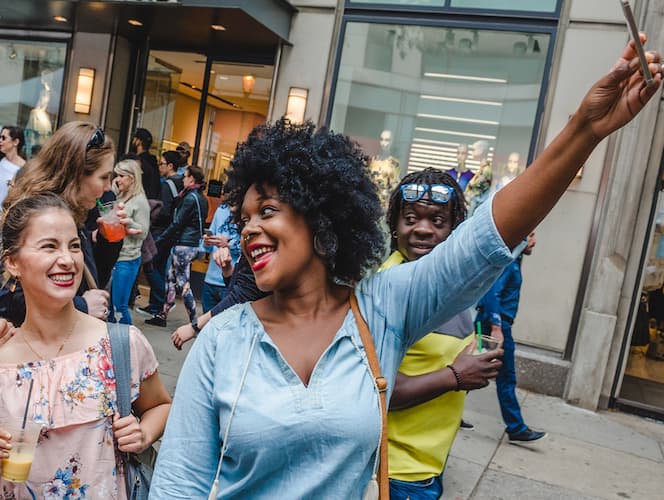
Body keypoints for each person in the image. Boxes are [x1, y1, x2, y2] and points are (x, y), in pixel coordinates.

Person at [149, 41, 663, 498]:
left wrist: (585, 130)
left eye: (267, 211)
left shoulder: (382, 306)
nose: (249, 230)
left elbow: (484, 239)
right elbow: (179, 483)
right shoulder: (224, 340)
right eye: (243, 219)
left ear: (320, 214)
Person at [0, 193, 171, 498]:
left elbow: (161, 406)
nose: (67, 259)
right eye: (49, 246)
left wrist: (144, 432)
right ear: (13, 262)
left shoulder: (119, 344)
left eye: (74, 246)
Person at [383, 169, 504, 500]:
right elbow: (374, 392)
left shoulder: (446, 286)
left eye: (438, 220)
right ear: (394, 225)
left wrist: (479, 354)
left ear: (453, 230)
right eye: (411, 218)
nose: (423, 229)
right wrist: (456, 376)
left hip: (426, 468)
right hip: (393, 473)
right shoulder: (390, 288)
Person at [0, 122, 127, 327]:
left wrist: (109, 242)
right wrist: (81, 306)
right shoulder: (30, 214)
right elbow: (3, 300)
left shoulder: (79, 214)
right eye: (104, 177)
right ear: (76, 174)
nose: (108, 187)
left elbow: (89, 282)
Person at [478, 231, 547, 443]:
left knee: (476, 369)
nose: (534, 241)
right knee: (506, 377)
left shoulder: (514, 259)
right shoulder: (508, 260)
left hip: (491, 323)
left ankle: (452, 410)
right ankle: (516, 427)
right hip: (497, 326)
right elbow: (492, 294)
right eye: (531, 235)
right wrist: (497, 328)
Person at [145, 165, 207, 328]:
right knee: (171, 279)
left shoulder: (189, 198)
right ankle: (162, 315)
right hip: (191, 244)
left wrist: (160, 240)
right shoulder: (202, 198)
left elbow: (177, 222)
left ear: (192, 179)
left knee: (182, 282)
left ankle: (195, 321)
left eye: (185, 176)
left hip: (183, 245)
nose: (183, 179)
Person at [137, 151, 184, 318]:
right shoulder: (181, 183)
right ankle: (158, 303)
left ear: (170, 166)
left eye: (162, 163)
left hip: (161, 231)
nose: (160, 166)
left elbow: (163, 211)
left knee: (151, 267)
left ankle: (160, 301)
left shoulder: (167, 184)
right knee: (160, 266)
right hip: (171, 232)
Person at [109, 159, 151, 325]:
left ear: (132, 178)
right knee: (111, 306)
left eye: (121, 176)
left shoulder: (140, 201)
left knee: (119, 306)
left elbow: (143, 232)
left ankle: (128, 342)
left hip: (128, 259)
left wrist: (128, 222)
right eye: (116, 175)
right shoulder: (120, 195)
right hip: (115, 256)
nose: (117, 179)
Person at [200, 202, 241, 313]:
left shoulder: (247, 211)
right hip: (210, 278)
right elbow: (207, 248)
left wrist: (229, 243)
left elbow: (248, 248)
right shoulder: (221, 209)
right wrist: (206, 242)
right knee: (207, 327)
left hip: (231, 281)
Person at [132, 127, 161, 200]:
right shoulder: (153, 163)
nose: (133, 141)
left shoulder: (137, 162)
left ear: (139, 142)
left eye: (135, 138)